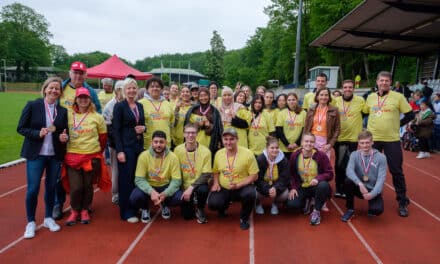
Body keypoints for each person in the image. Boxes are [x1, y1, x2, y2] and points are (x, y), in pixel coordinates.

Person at [17, 77, 68, 239]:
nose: (54, 91)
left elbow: (63, 132)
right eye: (51, 88)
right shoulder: (33, 105)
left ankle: (48, 218)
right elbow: (21, 128)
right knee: (32, 189)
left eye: (57, 89)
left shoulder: (62, 111)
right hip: (36, 154)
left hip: (54, 155)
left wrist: (63, 137)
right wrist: (36, 133)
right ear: (45, 89)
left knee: (51, 188)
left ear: (60, 93)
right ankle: (30, 222)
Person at [53, 61, 102, 220]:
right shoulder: (61, 88)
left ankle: (84, 207)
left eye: (81, 73)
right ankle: (58, 204)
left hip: (84, 139)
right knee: (59, 175)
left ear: (85, 75)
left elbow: (98, 112)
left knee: (85, 182)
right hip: (61, 137)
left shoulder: (90, 91)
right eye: (75, 72)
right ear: (70, 73)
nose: (78, 76)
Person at [363, 71, 414, 217]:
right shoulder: (371, 97)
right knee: (372, 171)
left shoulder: (398, 97)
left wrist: (398, 124)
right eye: (381, 80)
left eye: (387, 81)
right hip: (374, 140)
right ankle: (374, 199)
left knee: (396, 170)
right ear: (377, 82)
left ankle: (402, 201)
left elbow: (410, 114)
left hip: (392, 139)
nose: (384, 83)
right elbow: (364, 113)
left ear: (390, 83)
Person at [63, 87, 109, 226]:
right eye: (80, 97)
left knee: (88, 185)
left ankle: (84, 209)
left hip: (91, 156)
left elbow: (103, 138)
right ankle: (74, 210)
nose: (83, 100)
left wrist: (96, 152)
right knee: (76, 187)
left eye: (86, 97)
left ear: (90, 100)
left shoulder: (97, 117)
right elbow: (59, 130)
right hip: (72, 157)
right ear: (76, 100)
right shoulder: (68, 115)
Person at [208, 128, 259, 230]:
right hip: (224, 188)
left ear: (237, 139)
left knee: (250, 194)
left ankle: (244, 218)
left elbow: (254, 175)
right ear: (222, 140)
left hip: (241, 188)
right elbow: (216, 171)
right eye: (225, 139)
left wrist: (238, 185)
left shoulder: (248, 154)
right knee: (213, 203)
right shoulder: (218, 154)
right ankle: (222, 209)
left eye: (231, 139)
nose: (228, 142)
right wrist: (216, 183)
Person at [129, 131, 182, 223]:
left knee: (179, 197)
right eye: (156, 142)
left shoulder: (173, 157)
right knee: (135, 197)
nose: (158, 145)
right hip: (149, 186)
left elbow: (176, 180)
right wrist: (151, 191)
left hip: (165, 185)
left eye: (161, 142)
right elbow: (139, 179)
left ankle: (164, 205)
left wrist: (166, 193)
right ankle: (145, 208)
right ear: (151, 143)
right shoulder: (144, 156)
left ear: (166, 143)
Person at [113, 78, 146, 223]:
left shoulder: (139, 106)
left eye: (134, 88)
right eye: (129, 88)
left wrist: (143, 128)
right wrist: (119, 151)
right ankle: (126, 211)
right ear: (124, 90)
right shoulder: (119, 106)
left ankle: (135, 205)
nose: (132, 91)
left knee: (136, 178)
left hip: (138, 147)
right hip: (126, 148)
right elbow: (116, 130)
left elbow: (142, 124)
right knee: (125, 180)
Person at [286, 133, 333, 226]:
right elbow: (291, 174)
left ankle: (316, 210)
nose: (309, 143)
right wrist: (293, 188)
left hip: (315, 186)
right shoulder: (295, 155)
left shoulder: (321, 155)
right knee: (292, 205)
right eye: (306, 141)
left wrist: (318, 179)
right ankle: (307, 200)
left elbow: (330, 173)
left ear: (314, 143)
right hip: (302, 187)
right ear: (301, 143)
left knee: (323, 185)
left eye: (311, 142)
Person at [341, 130, 387, 222]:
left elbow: (381, 180)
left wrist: (372, 194)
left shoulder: (381, 157)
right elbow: (349, 171)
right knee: (348, 181)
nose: (365, 145)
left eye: (367, 142)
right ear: (358, 143)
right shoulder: (354, 155)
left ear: (372, 142)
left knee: (377, 210)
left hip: (372, 188)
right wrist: (360, 184)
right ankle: (350, 209)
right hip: (359, 187)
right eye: (362, 143)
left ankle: (372, 203)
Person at [174, 124, 212, 223]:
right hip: (183, 185)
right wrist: (182, 188)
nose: (190, 135)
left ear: (197, 134)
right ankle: (189, 203)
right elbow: (175, 171)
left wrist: (191, 188)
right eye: (188, 132)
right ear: (184, 134)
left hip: (199, 184)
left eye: (193, 133)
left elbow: (206, 174)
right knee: (187, 216)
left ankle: (200, 208)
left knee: (203, 190)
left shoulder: (206, 151)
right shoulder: (177, 150)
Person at [334, 80, 365, 198]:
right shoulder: (336, 101)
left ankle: (348, 188)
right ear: (342, 88)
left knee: (350, 164)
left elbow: (366, 113)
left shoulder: (360, 100)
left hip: (353, 139)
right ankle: (338, 187)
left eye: (350, 87)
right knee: (339, 164)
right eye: (345, 87)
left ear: (353, 88)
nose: (348, 89)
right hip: (340, 138)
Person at [102, 80, 125, 204]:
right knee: (115, 170)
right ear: (116, 91)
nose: (125, 92)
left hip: (127, 143)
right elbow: (108, 128)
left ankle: (125, 191)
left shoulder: (129, 103)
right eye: (122, 89)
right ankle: (116, 194)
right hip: (115, 144)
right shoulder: (110, 105)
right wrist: (118, 142)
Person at [255, 137, 290, 215]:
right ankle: (257, 204)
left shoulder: (284, 160)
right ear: (267, 148)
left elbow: (284, 178)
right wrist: (267, 188)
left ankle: (275, 203)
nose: (275, 150)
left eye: (277, 148)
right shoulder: (260, 159)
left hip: (276, 186)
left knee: (285, 194)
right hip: (263, 186)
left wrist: (275, 188)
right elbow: (258, 178)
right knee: (253, 193)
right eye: (272, 148)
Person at [184, 87, 223, 156]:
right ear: (198, 97)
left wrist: (209, 126)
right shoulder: (193, 110)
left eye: (205, 95)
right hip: (194, 140)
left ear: (209, 96)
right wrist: (198, 124)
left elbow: (218, 128)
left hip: (210, 142)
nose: (203, 98)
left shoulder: (214, 111)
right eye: (201, 96)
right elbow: (187, 126)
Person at [304, 88, 340, 159]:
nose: (324, 97)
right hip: (311, 140)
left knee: (323, 164)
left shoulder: (334, 110)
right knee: (311, 164)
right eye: (321, 95)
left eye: (326, 95)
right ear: (317, 97)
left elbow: (337, 129)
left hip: (325, 141)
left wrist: (330, 144)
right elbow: (306, 126)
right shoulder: (311, 109)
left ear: (329, 97)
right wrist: (304, 141)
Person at [139, 77, 174, 149]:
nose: (155, 88)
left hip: (166, 143)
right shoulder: (140, 103)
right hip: (147, 144)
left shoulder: (168, 104)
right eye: (152, 86)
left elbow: (171, 124)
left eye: (157, 86)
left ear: (161, 89)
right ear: (147, 89)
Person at [276, 93, 306, 160]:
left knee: (296, 168)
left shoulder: (303, 113)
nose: (291, 102)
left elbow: (304, 130)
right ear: (286, 101)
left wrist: (297, 143)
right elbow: (279, 130)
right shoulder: (282, 113)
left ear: (297, 100)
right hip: (284, 147)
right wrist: (287, 144)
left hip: (298, 147)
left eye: (293, 99)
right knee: (285, 168)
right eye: (289, 100)